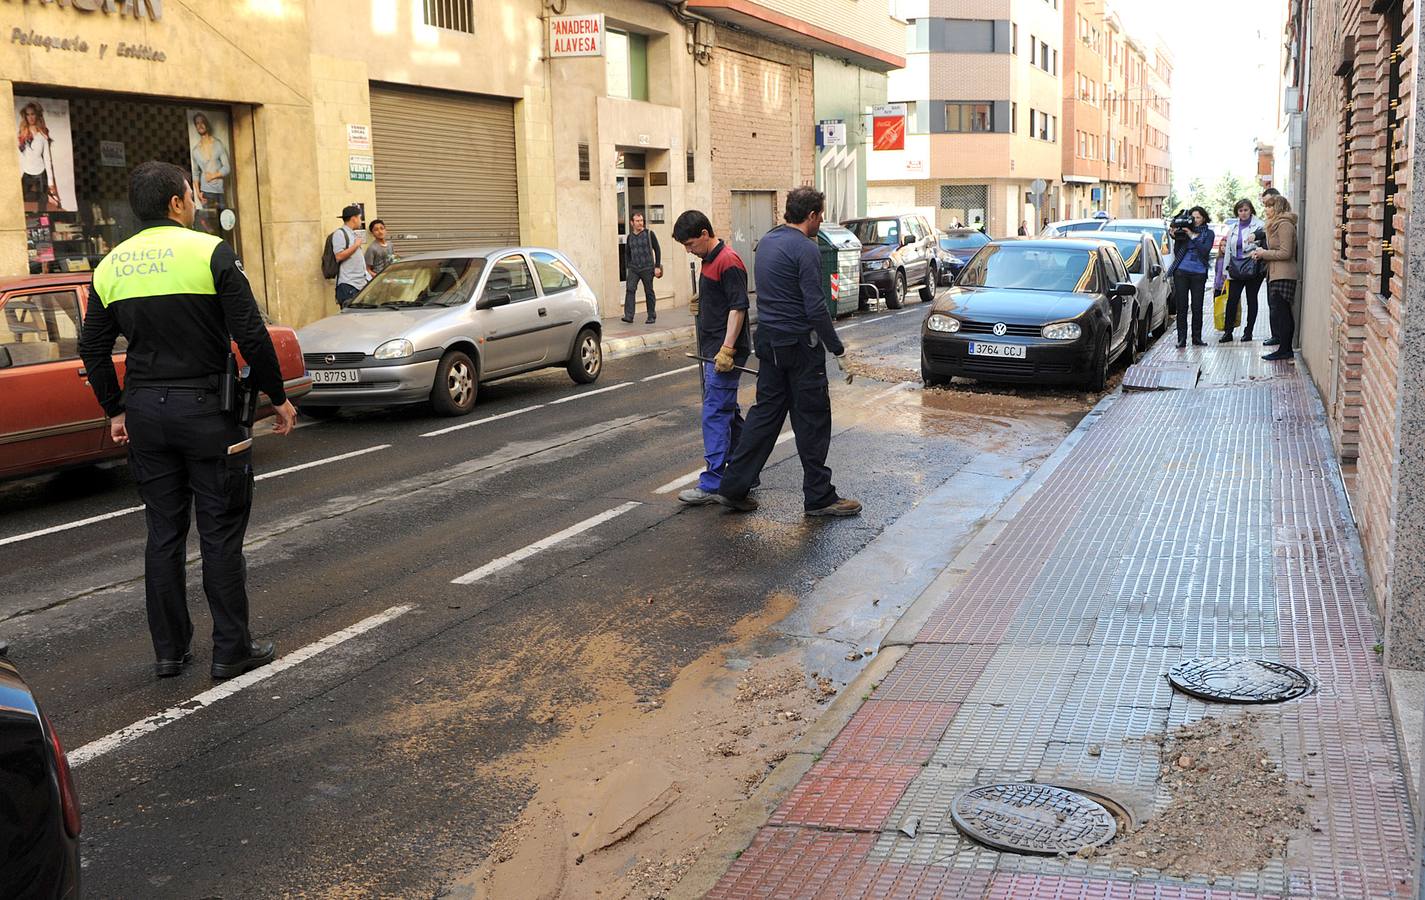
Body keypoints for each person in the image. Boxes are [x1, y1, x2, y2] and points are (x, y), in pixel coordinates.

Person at [78, 161, 297, 680]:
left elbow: (92, 347)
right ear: (176, 203)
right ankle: (230, 650)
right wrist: (277, 396)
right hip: (207, 411)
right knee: (220, 533)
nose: (196, 201)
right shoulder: (211, 251)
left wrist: (115, 408)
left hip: (146, 415)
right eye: (192, 194)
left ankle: (170, 653)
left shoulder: (110, 265)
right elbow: (251, 333)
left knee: (163, 533)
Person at [714, 187, 861, 518]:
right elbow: (815, 306)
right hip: (800, 348)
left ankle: (733, 487)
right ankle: (819, 497)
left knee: (764, 416)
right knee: (812, 419)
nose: (821, 221)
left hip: (769, 342)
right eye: (820, 215)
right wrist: (836, 348)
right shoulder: (806, 249)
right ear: (810, 216)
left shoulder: (767, 241)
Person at [670, 209, 750, 506]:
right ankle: (746, 471)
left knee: (714, 413)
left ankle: (713, 482)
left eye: (690, 244)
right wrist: (703, 302)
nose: (689, 251)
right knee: (728, 413)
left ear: (705, 234)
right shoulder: (708, 261)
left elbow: (738, 307)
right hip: (712, 349)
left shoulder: (728, 261)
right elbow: (722, 300)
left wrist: (727, 349)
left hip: (723, 351)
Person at [1250, 192, 1299, 361]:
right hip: (1275, 273)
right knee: (1280, 312)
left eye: (1269, 206)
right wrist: (1261, 254)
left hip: (1284, 274)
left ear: (1277, 207)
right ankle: (1283, 348)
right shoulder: (1275, 225)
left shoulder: (1285, 225)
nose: (1266, 210)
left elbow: (1286, 253)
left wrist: (1264, 253)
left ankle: (1285, 349)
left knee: (1283, 313)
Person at [1215, 200, 1266, 342]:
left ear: (1251, 211)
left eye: (1246, 210)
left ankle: (1248, 332)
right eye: (1240, 210)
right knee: (1232, 300)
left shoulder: (1260, 225)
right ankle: (1228, 332)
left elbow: (1264, 245)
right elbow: (1228, 252)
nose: (1243, 213)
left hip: (1252, 267)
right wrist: (1226, 271)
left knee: (1251, 300)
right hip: (1236, 268)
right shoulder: (1233, 228)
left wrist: (1254, 250)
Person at [1167, 205, 1215, 348]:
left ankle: (1197, 337)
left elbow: (1205, 250)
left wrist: (1192, 236)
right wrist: (1174, 232)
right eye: (1192, 217)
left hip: (1199, 273)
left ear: (1204, 218)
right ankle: (1181, 339)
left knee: (1197, 306)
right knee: (1181, 307)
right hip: (1181, 272)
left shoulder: (1208, 233)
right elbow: (1175, 245)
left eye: (1198, 217)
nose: (1195, 220)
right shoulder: (1183, 230)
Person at [17, 101, 60, 213]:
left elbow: (47, 159)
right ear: (25, 116)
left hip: (40, 172)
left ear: (37, 115)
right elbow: (20, 156)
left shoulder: (42, 136)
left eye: (33, 114)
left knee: (42, 206)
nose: (31, 117)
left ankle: (43, 223)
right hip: (27, 171)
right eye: (28, 114)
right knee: (20, 196)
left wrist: (50, 182)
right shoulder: (22, 134)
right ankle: (48, 197)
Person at [622, 211, 662, 324]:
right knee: (630, 290)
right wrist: (628, 266)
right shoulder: (630, 237)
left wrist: (657, 266)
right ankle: (629, 316)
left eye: (641, 220)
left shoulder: (649, 234)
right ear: (632, 223)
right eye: (637, 221)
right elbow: (627, 253)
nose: (640, 223)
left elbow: (657, 250)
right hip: (634, 268)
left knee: (649, 291)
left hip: (647, 267)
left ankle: (651, 316)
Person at [189, 113, 230, 213]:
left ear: (206, 124)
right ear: (195, 127)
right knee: (209, 225)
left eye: (202, 122)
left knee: (224, 222)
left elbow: (227, 168)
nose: (200, 125)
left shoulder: (217, 144)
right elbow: (195, 173)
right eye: (197, 123)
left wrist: (213, 176)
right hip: (205, 192)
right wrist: (198, 193)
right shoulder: (195, 151)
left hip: (219, 191)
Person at [331, 204, 369, 307]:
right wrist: (356, 245)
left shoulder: (352, 234)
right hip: (348, 285)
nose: (360, 221)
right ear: (354, 219)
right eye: (360, 218)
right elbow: (338, 256)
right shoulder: (339, 234)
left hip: (359, 284)